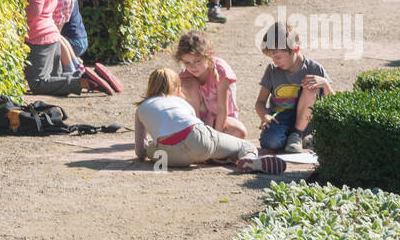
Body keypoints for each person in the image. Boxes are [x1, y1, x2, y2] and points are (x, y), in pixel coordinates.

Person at [135, 67, 283, 171]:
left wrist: (150, 148)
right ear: (177, 89)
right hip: (199, 140)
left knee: (151, 149)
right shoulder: (180, 102)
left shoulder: (141, 108)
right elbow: (193, 127)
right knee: (245, 146)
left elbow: (140, 152)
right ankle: (249, 159)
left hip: (171, 158)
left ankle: (205, 157)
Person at [255, 22, 333, 153]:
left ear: (295, 49)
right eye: (272, 57)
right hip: (280, 119)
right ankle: (300, 139)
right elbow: (260, 102)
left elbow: (333, 102)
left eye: (278, 56)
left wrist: (325, 84)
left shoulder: (314, 69)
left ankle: (297, 133)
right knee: (269, 142)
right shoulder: (272, 70)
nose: (275, 61)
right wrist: (264, 116)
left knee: (311, 86)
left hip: (307, 120)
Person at [175, 30, 245, 138]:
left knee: (238, 131)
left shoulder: (221, 70)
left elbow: (222, 109)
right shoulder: (186, 75)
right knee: (187, 84)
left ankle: (209, 140)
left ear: (209, 55)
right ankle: (197, 135)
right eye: (187, 63)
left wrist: (216, 139)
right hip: (200, 121)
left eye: (197, 61)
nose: (193, 67)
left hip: (222, 120)